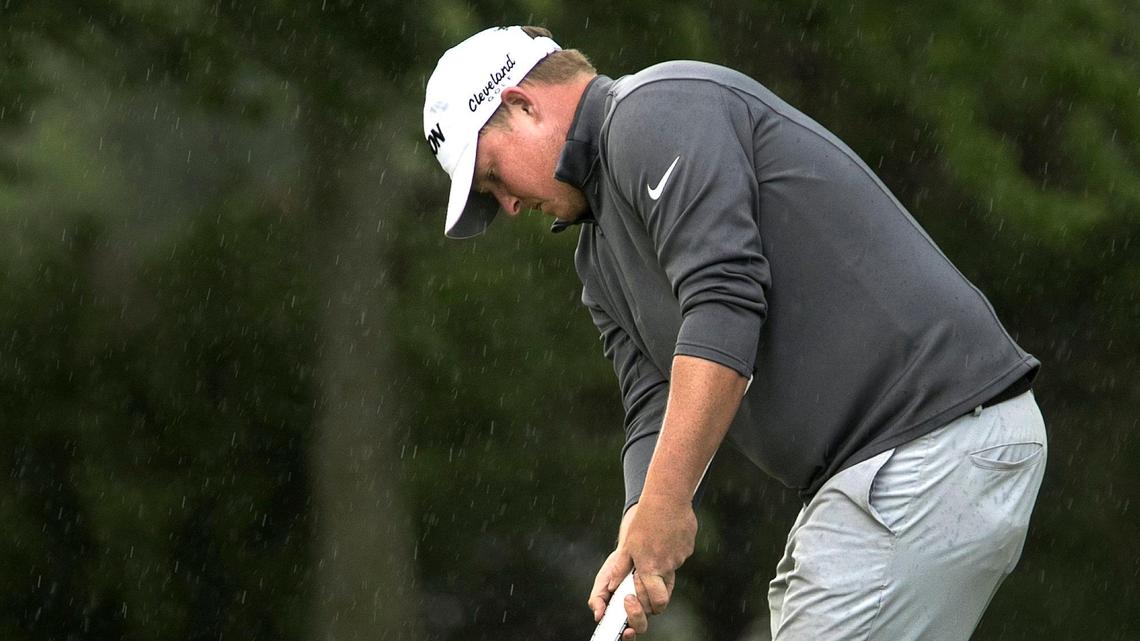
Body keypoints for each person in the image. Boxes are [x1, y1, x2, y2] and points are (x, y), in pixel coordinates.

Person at [423, 25, 1048, 641]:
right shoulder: (597, 261)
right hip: (893, 464)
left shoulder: (654, 110)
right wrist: (641, 520)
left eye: (493, 176)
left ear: (522, 104)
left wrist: (667, 509)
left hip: (927, 441)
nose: (506, 205)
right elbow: (653, 399)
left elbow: (724, 301)